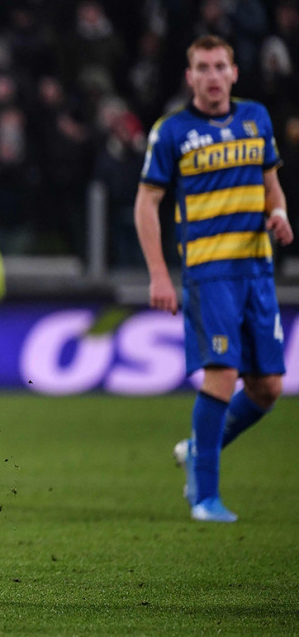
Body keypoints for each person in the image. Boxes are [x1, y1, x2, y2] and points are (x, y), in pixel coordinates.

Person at [135, 35, 293, 523]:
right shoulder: (172, 131)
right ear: (190, 77)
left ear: (234, 72)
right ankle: (204, 497)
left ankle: (196, 449)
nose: (212, 76)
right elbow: (147, 204)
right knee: (222, 374)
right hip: (209, 272)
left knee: (268, 388)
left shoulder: (257, 118)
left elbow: (271, 184)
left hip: (257, 270)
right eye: (202, 67)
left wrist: (280, 212)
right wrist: (159, 274)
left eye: (220, 66)